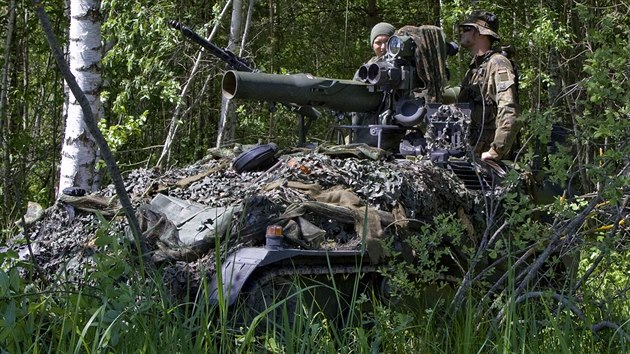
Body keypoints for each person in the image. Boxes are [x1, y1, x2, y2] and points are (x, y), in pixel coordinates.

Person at [457, 10, 520, 161]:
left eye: (467, 29)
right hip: (473, 150)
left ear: (481, 34)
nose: (462, 33)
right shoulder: (474, 69)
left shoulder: (498, 63)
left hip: (488, 157)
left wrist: (496, 151)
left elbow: (509, 109)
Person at [350, 22, 396, 147]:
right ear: (372, 44)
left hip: (396, 135)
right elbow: (354, 102)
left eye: (387, 42)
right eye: (378, 43)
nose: (382, 47)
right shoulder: (364, 71)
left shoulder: (405, 69)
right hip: (366, 134)